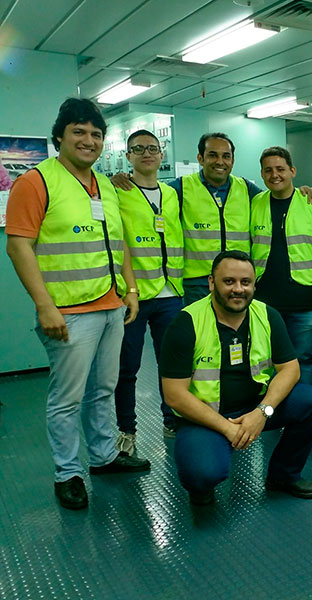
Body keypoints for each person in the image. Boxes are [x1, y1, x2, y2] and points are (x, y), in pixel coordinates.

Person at [5, 98, 150, 510]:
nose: (89, 140)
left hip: (111, 305)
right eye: (79, 132)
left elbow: (118, 243)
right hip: (68, 311)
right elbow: (18, 247)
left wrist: (130, 290)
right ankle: (67, 472)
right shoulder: (36, 182)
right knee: (67, 398)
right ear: (59, 137)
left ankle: (103, 456)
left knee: (103, 389)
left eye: (96, 134)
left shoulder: (106, 185)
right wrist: (44, 305)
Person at [160, 250, 312, 505]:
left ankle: (283, 475)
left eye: (245, 282)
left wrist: (262, 413)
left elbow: (290, 369)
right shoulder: (186, 323)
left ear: (254, 285)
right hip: (206, 415)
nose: (238, 289)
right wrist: (228, 429)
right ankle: (203, 482)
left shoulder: (267, 315)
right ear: (211, 282)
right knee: (202, 474)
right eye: (229, 281)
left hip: (254, 405)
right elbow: (174, 395)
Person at [112, 134, 312, 306]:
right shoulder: (180, 188)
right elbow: (151, 190)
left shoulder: (246, 189)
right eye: (212, 155)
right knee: (200, 336)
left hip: (237, 281)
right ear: (200, 158)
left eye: (226, 156)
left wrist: (300, 191)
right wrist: (120, 179)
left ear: (232, 161)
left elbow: (276, 195)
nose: (220, 161)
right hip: (197, 284)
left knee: (235, 335)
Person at [114, 129, 184, 457]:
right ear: (128, 156)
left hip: (171, 293)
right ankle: (126, 430)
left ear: (161, 154)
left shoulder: (172, 193)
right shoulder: (116, 191)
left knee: (171, 364)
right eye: (139, 149)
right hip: (134, 295)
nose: (147, 153)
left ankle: (172, 419)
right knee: (127, 368)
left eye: (153, 148)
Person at [250, 146, 312, 385]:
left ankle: (304, 405)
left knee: (304, 360)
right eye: (268, 170)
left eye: (280, 169)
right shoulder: (255, 203)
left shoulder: (311, 202)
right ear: (262, 174)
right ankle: (272, 405)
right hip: (265, 303)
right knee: (265, 360)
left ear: (292, 171)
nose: (274, 175)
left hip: (306, 303)